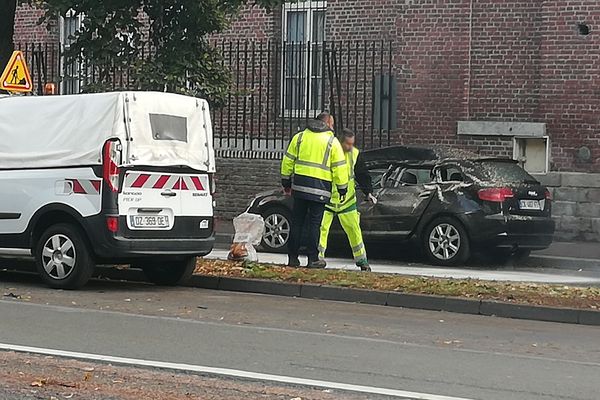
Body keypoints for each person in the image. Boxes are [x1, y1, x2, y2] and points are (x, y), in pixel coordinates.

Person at [281, 113, 348, 268]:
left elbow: (288, 160)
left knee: (297, 222)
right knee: (314, 224)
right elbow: (339, 168)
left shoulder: (299, 137)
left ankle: (292, 258)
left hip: (299, 187)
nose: (333, 127)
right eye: (332, 124)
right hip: (320, 189)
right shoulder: (332, 141)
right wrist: (342, 188)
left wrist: (286, 182)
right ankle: (313, 259)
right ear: (326, 124)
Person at [318, 128, 377, 272]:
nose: (351, 147)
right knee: (321, 229)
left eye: (352, 144)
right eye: (348, 144)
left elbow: (362, 174)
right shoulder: (330, 152)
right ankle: (318, 258)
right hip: (328, 199)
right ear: (340, 142)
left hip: (346, 200)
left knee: (354, 230)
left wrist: (368, 192)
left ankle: (362, 260)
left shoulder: (355, 154)